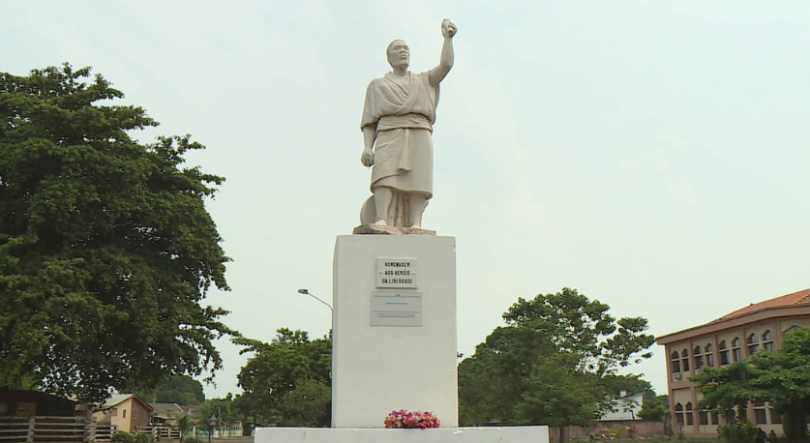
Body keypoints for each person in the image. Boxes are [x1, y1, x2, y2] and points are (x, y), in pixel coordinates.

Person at [359, 19, 457, 229]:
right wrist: (367, 147)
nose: (403, 51)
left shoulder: (423, 81)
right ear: (389, 57)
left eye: (405, 48)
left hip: (419, 132)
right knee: (384, 175)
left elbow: (446, 65)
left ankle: (415, 223)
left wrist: (447, 39)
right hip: (389, 132)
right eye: (397, 48)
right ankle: (381, 218)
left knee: (418, 179)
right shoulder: (378, 85)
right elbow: (370, 121)